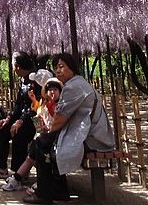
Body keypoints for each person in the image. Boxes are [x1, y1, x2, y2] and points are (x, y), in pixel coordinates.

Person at [25, 52, 115, 204]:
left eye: (61, 66)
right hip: (90, 132)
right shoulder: (77, 83)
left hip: (91, 138)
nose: (58, 71)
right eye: (55, 68)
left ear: (72, 67)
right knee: (45, 142)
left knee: (42, 143)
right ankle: (57, 191)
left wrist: (48, 133)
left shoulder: (73, 86)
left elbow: (60, 120)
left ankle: (45, 193)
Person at [0, 52, 38, 179]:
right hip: (23, 119)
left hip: (36, 121)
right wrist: (8, 118)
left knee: (19, 133)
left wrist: (21, 121)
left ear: (17, 66)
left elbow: (36, 106)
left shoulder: (36, 79)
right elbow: (18, 106)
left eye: (13, 66)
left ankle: (20, 172)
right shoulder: (23, 80)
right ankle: (0, 168)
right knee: (2, 129)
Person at [2, 76, 62, 192]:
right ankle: (18, 178)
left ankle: (22, 179)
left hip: (56, 139)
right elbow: (39, 121)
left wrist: (45, 128)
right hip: (45, 137)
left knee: (34, 153)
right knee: (32, 154)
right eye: (50, 90)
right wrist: (40, 125)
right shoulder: (44, 104)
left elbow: (56, 124)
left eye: (55, 89)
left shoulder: (60, 106)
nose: (52, 92)